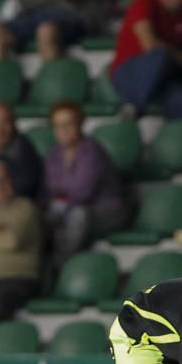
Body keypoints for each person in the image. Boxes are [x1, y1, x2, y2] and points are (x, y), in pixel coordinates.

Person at [44, 101, 125, 264]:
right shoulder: (55, 154)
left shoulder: (91, 151)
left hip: (106, 211)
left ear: (80, 123)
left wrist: (59, 201)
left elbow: (83, 192)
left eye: (68, 124)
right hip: (68, 208)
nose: (63, 130)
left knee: (78, 215)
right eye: (58, 125)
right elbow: (48, 190)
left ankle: (62, 265)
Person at [0, 158, 41, 330]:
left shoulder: (25, 208)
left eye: (3, 179)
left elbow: (12, 241)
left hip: (16, 280)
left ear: (12, 181)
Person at [0, 102, 43, 201]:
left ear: (13, 124)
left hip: (13, 204)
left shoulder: (23, 148)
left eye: (4, 122)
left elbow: (25, 187)